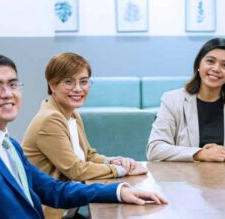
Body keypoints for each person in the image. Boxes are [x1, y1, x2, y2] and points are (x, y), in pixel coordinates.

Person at [0, 53, 167, 218]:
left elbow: (54, 190)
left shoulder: (9, 145)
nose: (8, 94)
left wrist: (118, 191)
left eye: (13, 85)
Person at [21, 52, 149, 219]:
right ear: (52, 85)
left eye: (83, 81)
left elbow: (88, 155)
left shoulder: (72, 114)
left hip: (69, 210)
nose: (78, 89)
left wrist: (114, 161)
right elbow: (76, 170)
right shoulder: (49, 119)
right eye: (69, 82)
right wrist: (122, 170)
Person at [146, 38, 225, 162]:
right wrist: (200, 154)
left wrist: (223, 154)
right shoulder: (172, 100)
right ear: (198, 65)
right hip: (183, 174)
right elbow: (155, 149)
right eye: (210, 61)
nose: (216, 69)